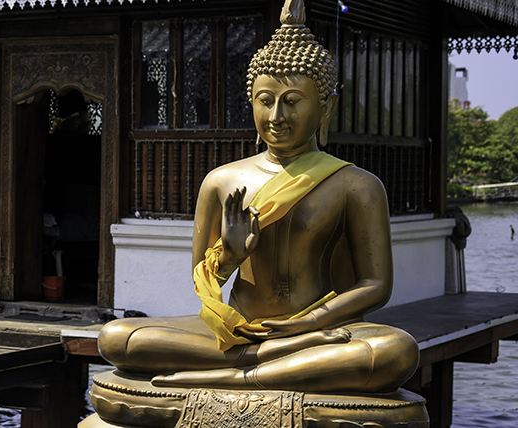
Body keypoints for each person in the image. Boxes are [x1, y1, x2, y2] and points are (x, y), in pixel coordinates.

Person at [96, 0, 417, 393]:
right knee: (116, 338)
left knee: (396, 351)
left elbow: (375, 285)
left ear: (326, 106)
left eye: (293, 101)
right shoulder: (221, 181)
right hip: (241, 331)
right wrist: (230, 255)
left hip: (323, 327)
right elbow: (203, 281)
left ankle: (240, 373)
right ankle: (265, 361)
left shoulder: (356, 185)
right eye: (265, 101)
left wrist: (311, 322)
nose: (276, 116)